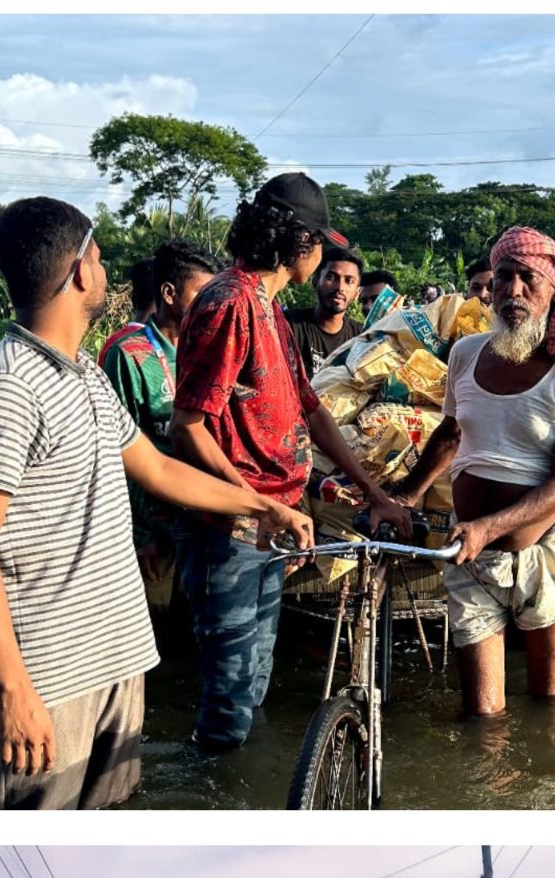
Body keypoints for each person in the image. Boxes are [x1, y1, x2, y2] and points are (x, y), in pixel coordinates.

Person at [0, 197, 309, 809]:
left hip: (115, 657)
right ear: (81, 272)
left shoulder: (84, 373)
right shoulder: (7, 387)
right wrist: (14, 691)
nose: (107, 269)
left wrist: (263, 507)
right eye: (100, 255)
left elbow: (159, 467)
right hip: (50, 680)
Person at [171, 173, 412, 751]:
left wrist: (372, 491)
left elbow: (312, 412)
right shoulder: (230, 304)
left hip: (270, 525)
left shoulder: (270, 310)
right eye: (321, 243)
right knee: (228, 699)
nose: (326, 256)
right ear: (298, 241)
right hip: (229, 528)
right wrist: (256, 505)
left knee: (253, 680)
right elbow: (188, 428)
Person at [393, 226, 555, 715]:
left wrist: (487, 528)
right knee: (481, 716)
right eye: (503, 278)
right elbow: (449, 436)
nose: (512, 291)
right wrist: (403, 497)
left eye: (528, 279)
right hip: (470, 552)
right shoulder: (466, 353)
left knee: (549, 704)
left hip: (544, 552)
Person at [100, 241, 225, 622]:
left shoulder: (212, 349)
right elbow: (113, 453)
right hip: (154, 522)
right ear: (169, 293)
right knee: (155, 626)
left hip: (205, 514)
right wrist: (140, 537)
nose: (211, 306)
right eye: (202, 295)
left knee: (201, 627)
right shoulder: (128, 353)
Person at [285, 233, 364, 370]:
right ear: (315, 282)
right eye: (332, 277)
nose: (340, 287)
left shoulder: (361, 337)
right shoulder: (289, 324)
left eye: (349, 281)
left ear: (357, 293)